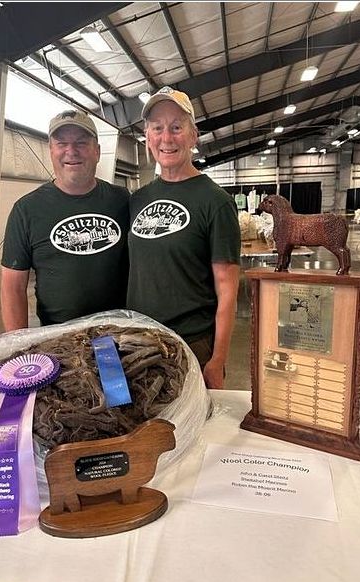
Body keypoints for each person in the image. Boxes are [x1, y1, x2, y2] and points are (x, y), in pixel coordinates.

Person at [127, 86, 241, 389]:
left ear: (193, 136)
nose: (167, 137)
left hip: (192, 345)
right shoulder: (138, 199)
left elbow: (227, 288)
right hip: (139, 343)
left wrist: (218, 358)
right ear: (148, 137)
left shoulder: (215, 201)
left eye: (177, 127)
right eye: (158, 128)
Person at [1, 109, 130, 330]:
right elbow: (12, 287)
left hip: (121, 333)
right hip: (58, 340)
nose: (71, 151)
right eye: (61, 144)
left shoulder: (122, 200)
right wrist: (17, 346)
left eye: (81, 143)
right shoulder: (26, 210)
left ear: (97, 152)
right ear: (51, 151)